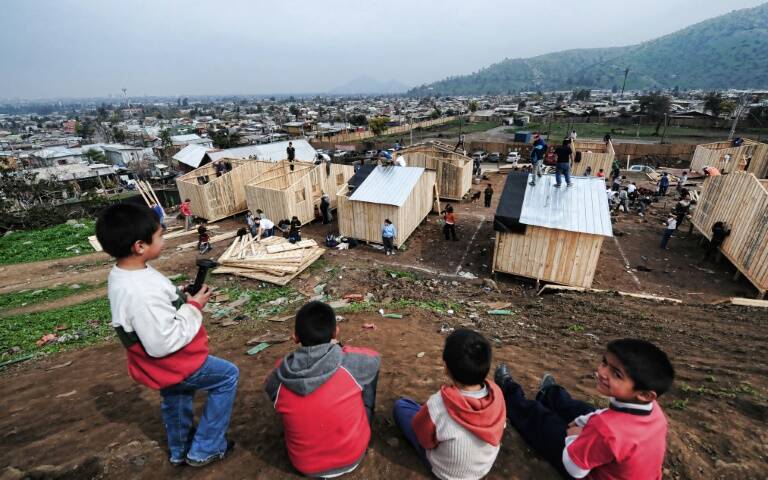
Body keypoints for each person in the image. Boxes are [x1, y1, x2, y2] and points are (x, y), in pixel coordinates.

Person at [95, 204, 238, 468]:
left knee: (176, 397)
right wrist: (193, 307)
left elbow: (157, 304)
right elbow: (162, 342)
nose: (163, 239)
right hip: (176, 361)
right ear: (140, 245)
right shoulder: (139, 293)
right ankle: (207, 446)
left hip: (159, 369)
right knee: (227, 376)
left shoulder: (128, 274)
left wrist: (180, 295)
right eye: (160, 235)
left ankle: (180, 449)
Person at [495, 338, 674, 479]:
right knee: (583, 410)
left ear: (645, 394)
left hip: (585, 471)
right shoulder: (653, 411)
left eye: (616, 374)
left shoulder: (607, 429)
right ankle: (549, 394)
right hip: (616, 454)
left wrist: (573, 435)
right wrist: (585, 421)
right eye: (605, 363)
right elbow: (606, 417)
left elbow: (575, 469)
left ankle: (510, 395)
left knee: (545, 423)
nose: (602, 373)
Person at [264, 301, 381, 478]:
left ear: (295, 337)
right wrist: (340, 347)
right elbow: (375, 358)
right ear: (336, 332)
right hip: (352, 457)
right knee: (364, 378)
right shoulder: (349, 364)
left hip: (304, 465)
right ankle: (367, 417)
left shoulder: (279, 375)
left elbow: (269, 387)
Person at [393, 329, 506, 480]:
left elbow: (425, 440)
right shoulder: (497, 394)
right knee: (431, 418)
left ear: (446, 367)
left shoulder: (438, 403)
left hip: (445, 473)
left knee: (401, 406)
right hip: (482, 470)